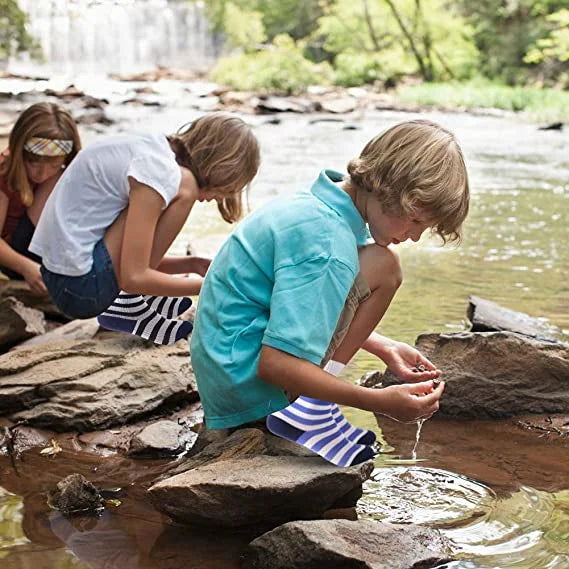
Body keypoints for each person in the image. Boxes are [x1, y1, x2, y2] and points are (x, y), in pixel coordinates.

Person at [190, 119, 470, 467]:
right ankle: (310, 405)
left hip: (225, 365)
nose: (415, 236)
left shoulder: (319, 205)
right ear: (389, 191)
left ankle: (312, 399)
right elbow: (276, 364)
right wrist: (378, 401)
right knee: (385, 267)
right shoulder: (328, 243)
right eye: (415, 220)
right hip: (247, 386)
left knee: (382, 264)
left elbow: (302, 303)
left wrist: (383, 346)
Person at [30, 112, 260, 345]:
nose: (213, 199)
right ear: (219, 168)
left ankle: (138, 302)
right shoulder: (164, 173)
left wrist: (191, 264)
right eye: (222, 191)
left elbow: (132, 258)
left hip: (64, 277)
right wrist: (214, 286)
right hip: (81, 289)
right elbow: (134, 276)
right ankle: (127, 307)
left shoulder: (154, 149)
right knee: (186, 187)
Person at [0, 102, 81, 293]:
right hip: (14, 258)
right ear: (20, 153)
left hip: (43, 245)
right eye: (34, 163)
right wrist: (25, 267)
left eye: (53, 165)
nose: (42, 174)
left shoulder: (60, 172)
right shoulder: (4, 173)